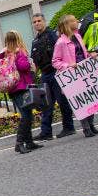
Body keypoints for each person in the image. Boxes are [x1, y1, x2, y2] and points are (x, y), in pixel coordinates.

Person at [53, 14, 98, 138]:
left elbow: (83, 53)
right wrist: (68, 65)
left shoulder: (78, 36)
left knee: (90, 99)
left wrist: (91, 55)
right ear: (67, 24)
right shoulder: (60, 42)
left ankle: (91, 125)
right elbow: (55, 62)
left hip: (85, 72)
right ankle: (86, 128)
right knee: (81, 102)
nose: (77, 21)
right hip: (73, 76)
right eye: (74, 20)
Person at [29, 12, 75, 140]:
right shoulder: (35, 41)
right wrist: (32, 77)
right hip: (44, 75)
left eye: (39, 21)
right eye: (34, 22)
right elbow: (35, 62)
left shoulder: (53, 35)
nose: (37, 23)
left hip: (56, 72)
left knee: (62, 101)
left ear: (44, 21)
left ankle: (69, 127)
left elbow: (63, 51)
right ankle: (46, 132)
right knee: (46, 105)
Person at [0, 30, 41, 154]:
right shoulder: (19, 52)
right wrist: (27, 60)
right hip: (21, 86)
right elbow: (24, 67)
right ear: (18, 38)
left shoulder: (5, 54)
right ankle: (19, 143)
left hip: (12, 87)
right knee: (26, 115)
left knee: (26, 114)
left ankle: (29, 142)